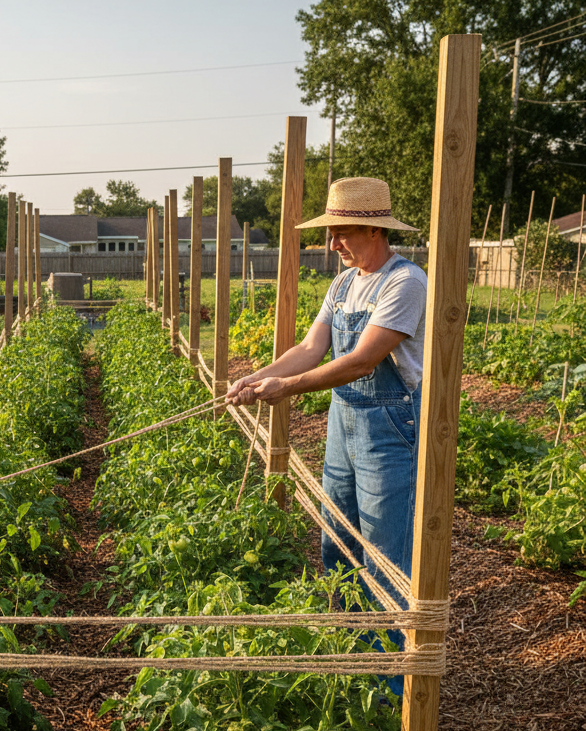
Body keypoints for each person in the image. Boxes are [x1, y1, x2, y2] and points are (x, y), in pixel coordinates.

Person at [226, 177, 426, 698]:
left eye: (340, 232)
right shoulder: (342, 284)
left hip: (390, 426)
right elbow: (312, 348)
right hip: (345, 422)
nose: (332, 244)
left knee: (385, 555)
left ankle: (387, 689)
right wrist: (257, 378)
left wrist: (285, 388)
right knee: (337, 543)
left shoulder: (405, 282)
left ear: (373, 229)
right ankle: (355, 655)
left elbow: (362, 360)